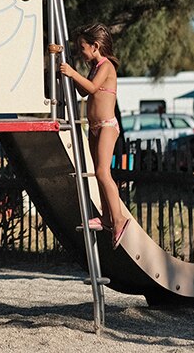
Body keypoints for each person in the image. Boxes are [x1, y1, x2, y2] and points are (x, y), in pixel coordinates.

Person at [59, 23, 129, 249]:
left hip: (107, 126)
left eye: (82, 47)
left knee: (102, 171)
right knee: (97, 173)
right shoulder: (94, 66)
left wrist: (72, 72)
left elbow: (90, 88)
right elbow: (83, 90)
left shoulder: (106, 66)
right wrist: (71, 76)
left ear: (95, 46)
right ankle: (107, 216)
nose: (81, 52)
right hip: (94, 126)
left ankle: (119, 219)